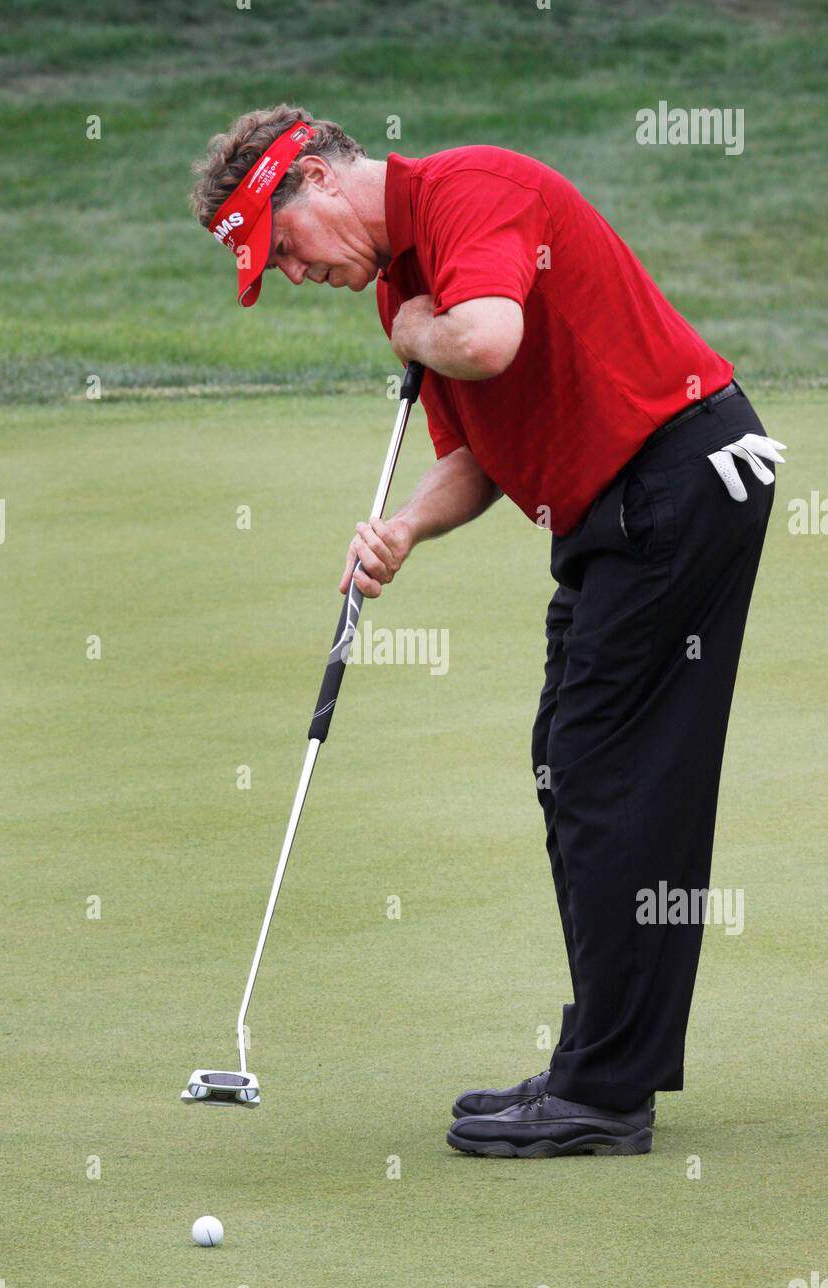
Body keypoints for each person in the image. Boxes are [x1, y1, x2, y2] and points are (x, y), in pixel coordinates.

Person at [191, 104, 783, 1159]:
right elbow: (480, 451)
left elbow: (483, 338)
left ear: (318, 181)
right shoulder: (402, 281)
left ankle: (604, 1091)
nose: (290, 273)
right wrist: (405, 528)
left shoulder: (469, 194)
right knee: (572, 761)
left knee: (604, 770)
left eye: (282, 248)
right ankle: (601, 1067)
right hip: (619, 507)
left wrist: (418, 328)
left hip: (676, 475)